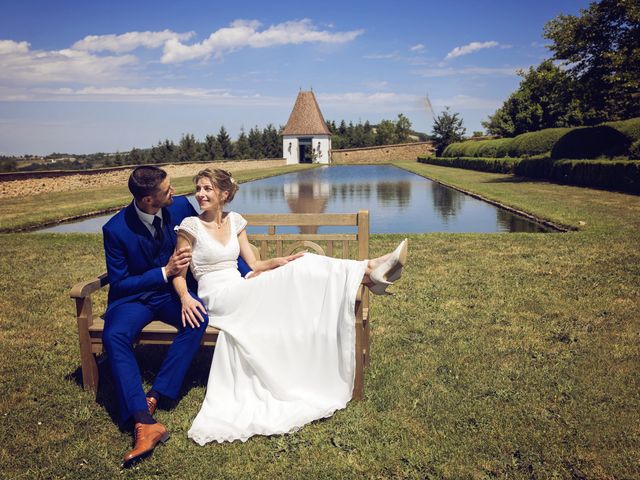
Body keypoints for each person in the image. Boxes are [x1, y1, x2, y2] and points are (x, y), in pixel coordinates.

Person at [173, 168, 408, 444]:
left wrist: (279, 262)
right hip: (218, 297)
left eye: (207, 189)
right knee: (302, 268)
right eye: (198, 188)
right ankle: (369, 271)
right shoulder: (189, 227)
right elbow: (178, 272)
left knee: (303, 261)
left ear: (224, 194)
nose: (200, 194)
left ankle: (369, 272)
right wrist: (185, 298)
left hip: (241, 285)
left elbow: (255, 265)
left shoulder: (235, 221)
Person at [101, 166, 250, 467]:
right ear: (147, 201)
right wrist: (163, 272)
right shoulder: (115, 230)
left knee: (197, 318)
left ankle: (157, 394)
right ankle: (143, 421)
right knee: (114, 335)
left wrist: (248, 275)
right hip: (134, 299)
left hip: (172, 294)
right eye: (166, 190)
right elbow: (120, 283)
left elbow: (214, 242)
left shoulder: (180, 207)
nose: (176, 193)